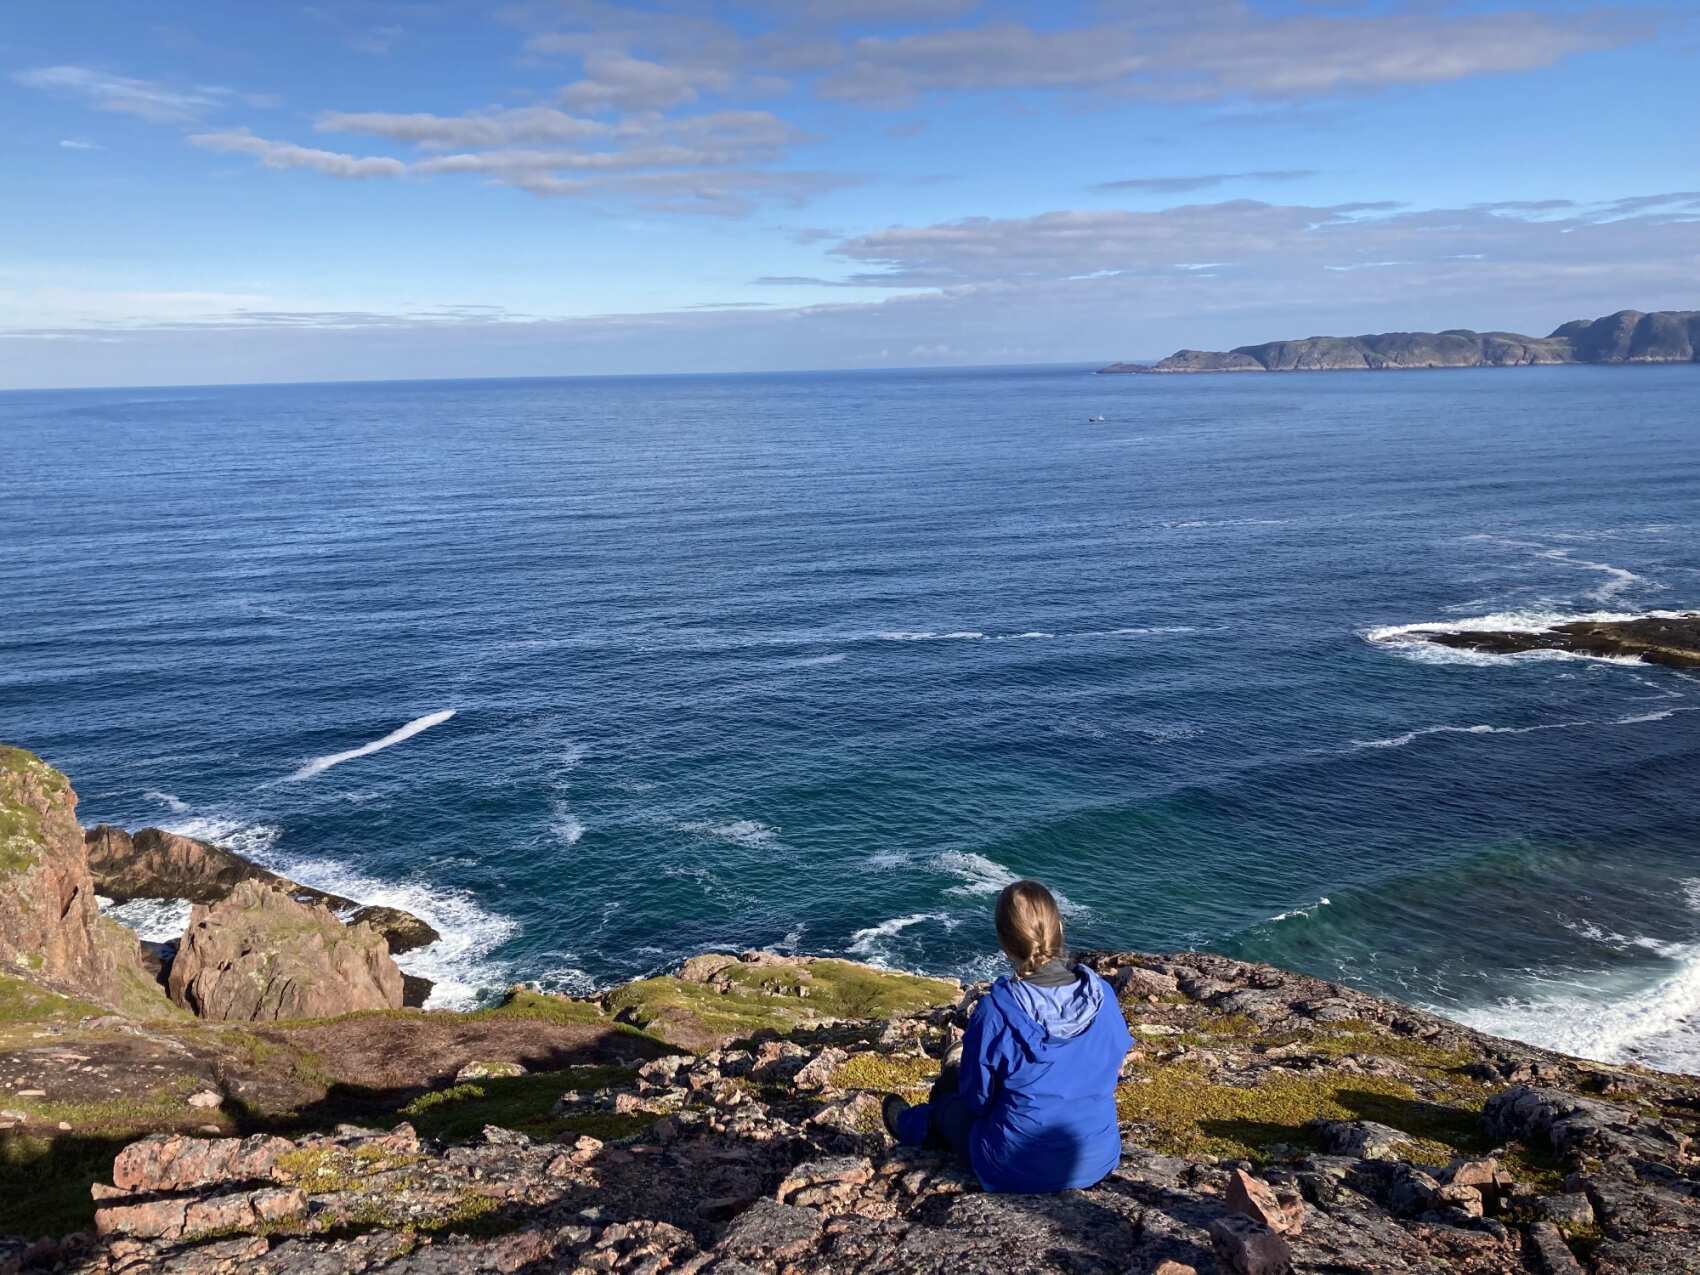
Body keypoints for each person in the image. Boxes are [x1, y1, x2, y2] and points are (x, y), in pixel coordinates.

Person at [883, 878, 1132, 1193]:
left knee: (949, 1105)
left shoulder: (998, 1010)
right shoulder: (1104, 998)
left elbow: (977, 1101)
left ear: (1004, 943)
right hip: (1096, 1156)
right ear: (1060, 929)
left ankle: (907, 1124)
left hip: (1015, 1165)